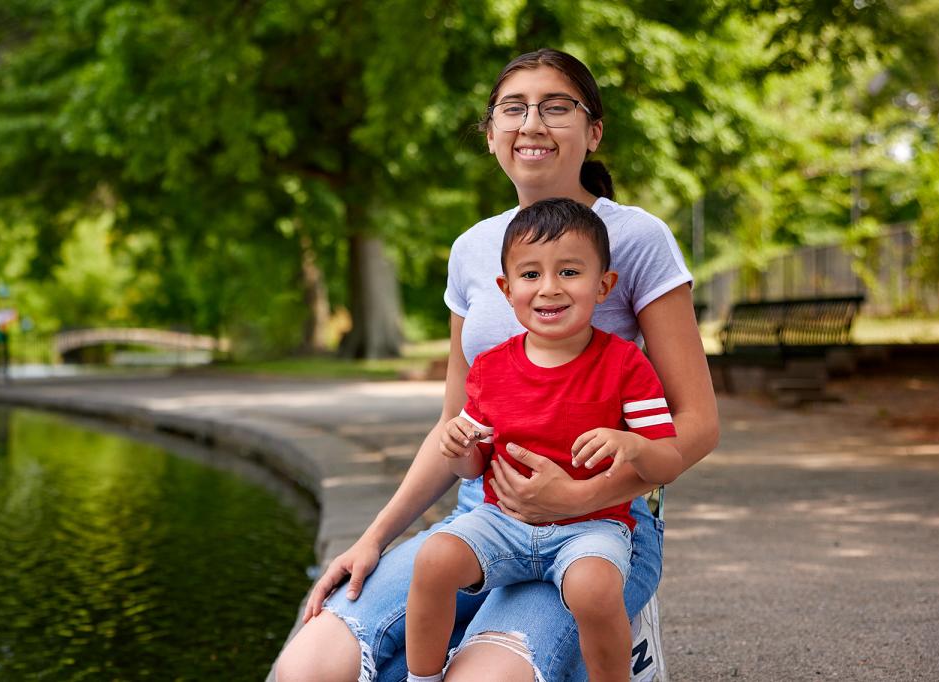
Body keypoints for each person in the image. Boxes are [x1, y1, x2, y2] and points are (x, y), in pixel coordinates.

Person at [273, 48, 719, 682]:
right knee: (309, 667)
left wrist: (577, 496)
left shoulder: (637, 238)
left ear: (593, 132)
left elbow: (697, 424)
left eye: (556, 107)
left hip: (597, 527)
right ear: (490, 135)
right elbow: (455, 422)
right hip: (480, 523)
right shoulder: (473, 248)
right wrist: (373, 537)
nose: (532, 123)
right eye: (513, 108)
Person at [404, 198, 684, 682]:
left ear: (604, 286)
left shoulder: (624, 364)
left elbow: (668, 461)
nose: (549, 288)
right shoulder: (491, 368)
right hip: (501, 522)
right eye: (530, 275)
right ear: (506, 289)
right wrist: (460, 448)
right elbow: (472, 466)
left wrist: (633, 444)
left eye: (569, 272)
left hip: (591, 527)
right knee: (433, 558)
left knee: (594, 589)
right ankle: (423, 678)